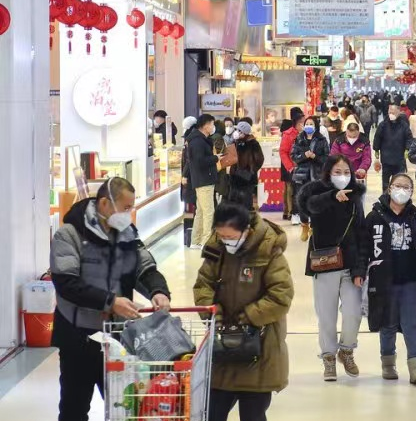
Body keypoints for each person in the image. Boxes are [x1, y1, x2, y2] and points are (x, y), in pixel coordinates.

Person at [51, 177, 171, 421]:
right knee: (74, 409)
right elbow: (66, 283)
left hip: (118, 341)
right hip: (78, 339)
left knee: (126, 407)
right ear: (105, 203)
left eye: (132, 207)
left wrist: (159, 291)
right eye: (126, 208)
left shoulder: (126, 233)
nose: (129, 213)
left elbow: (143, 267)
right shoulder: (69, 234)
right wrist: (111, 301)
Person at [193, 195, 293, 421]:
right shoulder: (216, 248)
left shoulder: (269, 249)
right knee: (212, 412)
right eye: (221, 236)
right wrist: (212, 312)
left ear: (246, 230)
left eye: (230, 236)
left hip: (259, 347)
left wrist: (247, 316)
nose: (225, 241)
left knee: (253, 415)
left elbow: (281, 296)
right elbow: (203, 284)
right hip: (222, 349)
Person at [297, 155, 368, 382]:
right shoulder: (315, 191)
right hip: (324, 262)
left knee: (353, 312)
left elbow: (361, 233)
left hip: (350, 264)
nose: (342, 176)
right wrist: (331, 196)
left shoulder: (356, 195)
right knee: (326, 316)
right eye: (337, 172)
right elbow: (308, 207)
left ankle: (346, 350)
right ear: (328, 172)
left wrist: (360, 269)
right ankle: (328, 357)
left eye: (346, 171)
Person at [360, 174, 416, 385]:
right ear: (389, 188)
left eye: (406, 187)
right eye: (397, 186)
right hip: (384, 280)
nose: (401, 190)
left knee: (412, 323)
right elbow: (364, 248)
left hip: (411, 278)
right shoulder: (374, 217)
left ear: (412, 192)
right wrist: (359, 272)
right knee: (388, 322)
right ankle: (388, 363)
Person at [291, 117, 330, 241]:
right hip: (301, 175)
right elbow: (293, 156)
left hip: (316, 175)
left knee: (314, 202)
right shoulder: (299, 138)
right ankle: (304, 226)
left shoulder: (321, 140)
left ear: (316, 126)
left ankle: (314, 227)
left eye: (311, 124)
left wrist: (315, 156)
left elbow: (326, 158)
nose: (308, 126)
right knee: (301, 201)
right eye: (306, 123)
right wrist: (304, 155)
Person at [188, 114, 222, 249]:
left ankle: (196, 241)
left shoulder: (198, 140)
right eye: (212, 124)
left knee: (201, 212)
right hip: (204, 180)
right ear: (206, 125)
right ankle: (206, 242)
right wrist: (215, 158)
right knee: (208, 212)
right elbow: (199, 162)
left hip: (202, 179)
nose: (213, 127)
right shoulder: (198, 142)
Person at [373, 103, 413, 193]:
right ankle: (385, 198)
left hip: (399, 159)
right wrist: (376, 149)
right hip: (386, 159)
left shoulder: (404, 125)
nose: (391, 114)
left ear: (399, 112)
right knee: (386, 182)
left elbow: (409, 138)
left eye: (394, 112)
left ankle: (398, 197)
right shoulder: (383, 125)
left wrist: (407, 149)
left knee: (398, 181)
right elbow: (377, 137)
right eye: (390, 112)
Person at [229, 121, 265, 210]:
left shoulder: (253, 143)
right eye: (236, 130)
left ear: (244, 132)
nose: (236, 132)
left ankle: (246, 220)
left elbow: (260, 159)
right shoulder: (235, 142)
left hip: (247, 178)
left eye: (239, 130)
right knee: (235, 201)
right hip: (235, 177)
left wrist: (251, 170)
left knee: (246, 202)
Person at [280, 114, 304, 222]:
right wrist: (290, 167)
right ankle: (293, 213)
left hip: (308, 167)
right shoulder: (288, 134)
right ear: (298, 123)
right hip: (294, 167)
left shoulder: (309, 134)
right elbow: (283, 151)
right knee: (293, 191)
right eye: (303, 122)